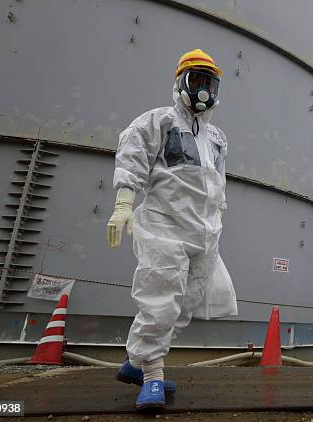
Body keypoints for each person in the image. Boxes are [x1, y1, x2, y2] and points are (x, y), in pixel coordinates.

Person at [106, 49, 230, 410]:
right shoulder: (157, 122)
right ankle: (153, 376)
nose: (204, 91)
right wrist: (124, 205)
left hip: (204, 232)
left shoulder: (217, 138)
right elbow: (132, 158)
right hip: (164, 226)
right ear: (181, 82)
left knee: (185, 305)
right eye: (197, 81)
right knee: (159, 301)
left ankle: (135, 363)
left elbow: (218, 182)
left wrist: (219, 215)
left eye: (210, 83)